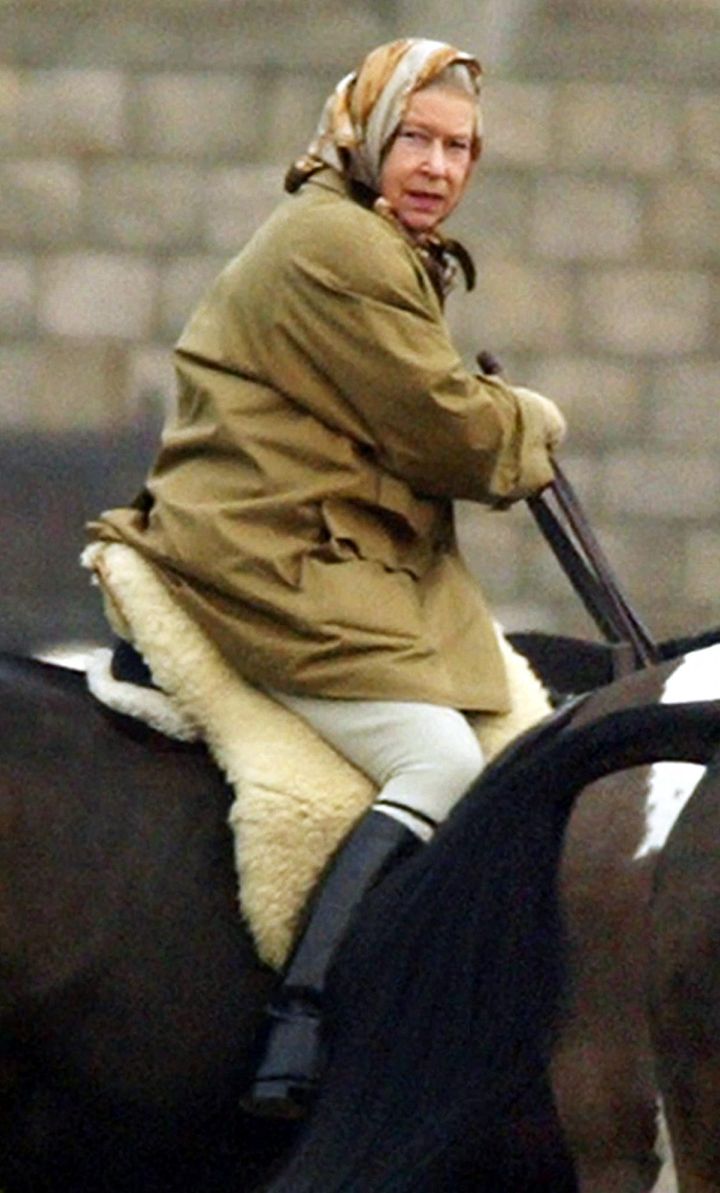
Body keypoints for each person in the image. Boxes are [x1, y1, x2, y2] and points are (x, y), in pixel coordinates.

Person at [87, 37, 566, 1116]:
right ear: (363, 133)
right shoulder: (338, 247)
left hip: (323, 537)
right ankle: (303, 1013)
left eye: (460, 149)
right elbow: (445, 428)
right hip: (273, 553)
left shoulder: (368, 241)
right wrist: (532, 423)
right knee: (440, 758)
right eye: (416, 140)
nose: (438, 168)